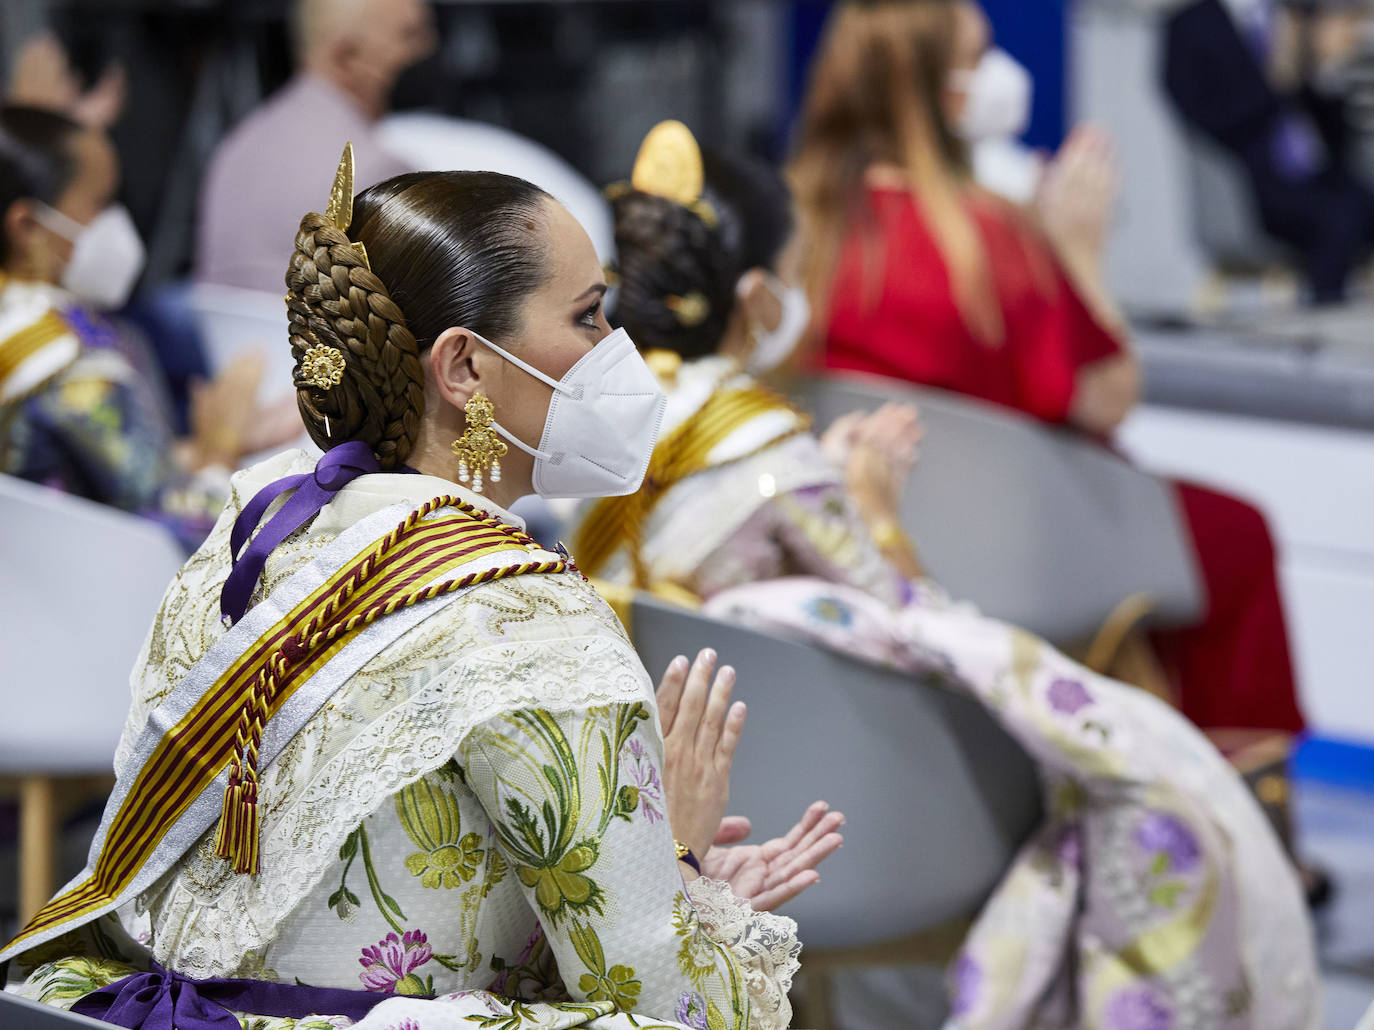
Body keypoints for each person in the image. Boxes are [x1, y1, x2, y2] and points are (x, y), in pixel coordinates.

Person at [1, 147, 843, 1030]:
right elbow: (679, 1008)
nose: (616, 352)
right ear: (465, 368)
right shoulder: (531, 616)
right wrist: (682, 866)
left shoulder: (256, 520)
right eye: (590, 317)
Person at [569, 119, 1321, 1027]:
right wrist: (877, 511)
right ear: (760, 298)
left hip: (646, 806)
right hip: (846, 813)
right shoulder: (768, 452)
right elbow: (908, 615)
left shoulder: (594, 442)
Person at [789, 0, 1309, 741]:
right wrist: (1079, 255)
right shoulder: (989, 236)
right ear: (939, 87)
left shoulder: (800, 228)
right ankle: (1249, 810)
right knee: (1236, 536)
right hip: (1032, 549)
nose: (1002, 73)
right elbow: (1105, 399)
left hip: (876, 541)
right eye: (980, 55)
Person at [0, 104, 291, 548]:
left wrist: (193, 450)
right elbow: (195, 527)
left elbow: (86, 465)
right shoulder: (71, 361)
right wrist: (222, 449)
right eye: (100, 203)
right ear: (26, 226)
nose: (118, 223)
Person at [195, 0, 434, 293]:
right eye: (409, 35)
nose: (429, 48)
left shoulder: (236, 147)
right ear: (346, 55)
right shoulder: (375, 171)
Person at [1165, 0, 1374, 303]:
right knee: (1337, 218)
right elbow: (1201, 113)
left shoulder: (1291, 13)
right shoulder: (1193, 23)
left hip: (1317, 173)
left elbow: (1316, 111)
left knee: (1352, 205)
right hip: (1251, 182)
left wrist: (1324, 69)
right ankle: (1325, 313)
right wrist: (1275, 81)